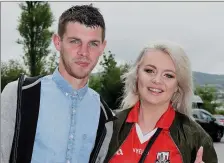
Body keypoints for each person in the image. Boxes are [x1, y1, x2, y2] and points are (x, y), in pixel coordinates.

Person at [1, 5, 116, 163]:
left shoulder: (105, 116)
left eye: (93, 44)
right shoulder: (18, 94)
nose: (84, 52)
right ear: (57, 42)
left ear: (102, 47)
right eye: (75, 41)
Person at [104, 41, 218, 163]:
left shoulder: (195, 138)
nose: (157, 80)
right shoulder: (108, 125)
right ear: (137, 75)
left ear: (178, 86)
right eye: (149, 70)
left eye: (168, 75)